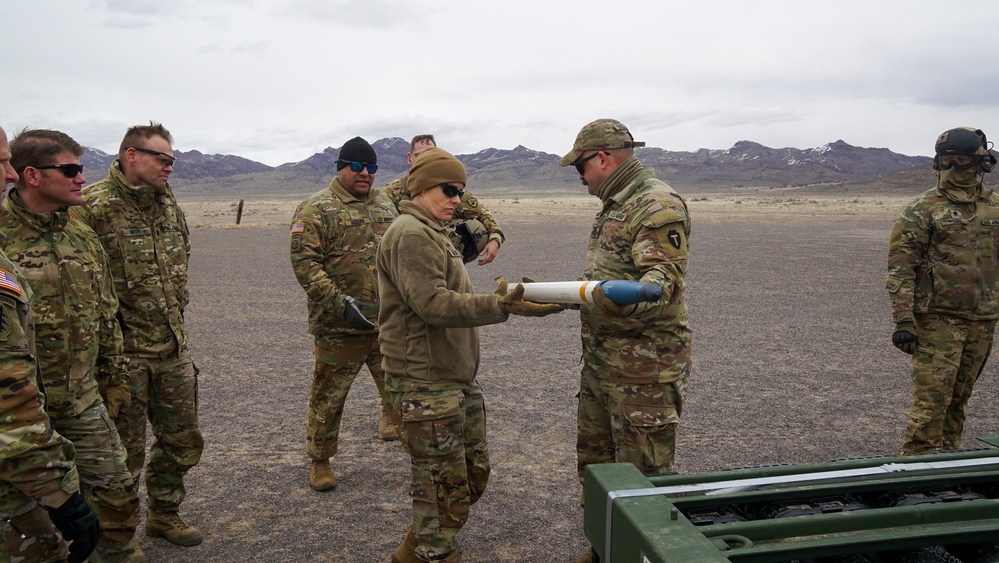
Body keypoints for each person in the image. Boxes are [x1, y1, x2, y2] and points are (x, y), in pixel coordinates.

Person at [376, 147, 561, 562]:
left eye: (461, 190)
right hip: (425, 383)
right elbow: (433, 305)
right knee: (444, 493)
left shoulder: (433, 231)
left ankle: (415, 547)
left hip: (454, 379)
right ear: (423, 187)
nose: (458, 199)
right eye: (449, 189)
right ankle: (431, 553)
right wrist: (499, 307)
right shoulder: (409, 233)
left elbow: (449, 298)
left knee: (469, 478)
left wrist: (503, 299)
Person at [0, 129, 142, 561]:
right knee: (32, 520)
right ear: (33, 175)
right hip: (23, 412)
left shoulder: (80, 234)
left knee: (117, 491)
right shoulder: (3, 237)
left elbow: (106, 313)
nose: (82, 178)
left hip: (82, 400)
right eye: (71, 169)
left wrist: (115, 381)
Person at [77, 122, 205, 546]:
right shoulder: (92, 206)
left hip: (172, 350)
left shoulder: (168, 205)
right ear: (131, 155)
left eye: (172, 160)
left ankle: (164, 515)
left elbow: (179, 269)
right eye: (161, 159)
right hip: (123, 356)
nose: (169, 167)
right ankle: (118, 537)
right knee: (122, 456)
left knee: (182, 441)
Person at [558, 119, 692, 492]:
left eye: (579, 167)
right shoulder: (617, 203)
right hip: (603, 365)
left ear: (602, 159)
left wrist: (617, 303)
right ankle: (601, 549)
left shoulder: (654, 203)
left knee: (640, 482)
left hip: (643, 372)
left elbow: (662, 283)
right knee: (596, 470)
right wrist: (555, 298)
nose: (579, 177)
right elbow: (609, 279)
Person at [289, 136, 403, 490]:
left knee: (401, 390)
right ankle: (319, 462)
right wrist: (339, 303)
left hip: (386, 324)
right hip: (339, 326)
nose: (365, 173)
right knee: (329, 397)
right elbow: (305, 263)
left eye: (371, 167)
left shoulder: (387, 207)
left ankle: (418, 452)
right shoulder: (316, 208)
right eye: (357, 166)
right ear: (340, 168)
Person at [888, 126, 999, 455]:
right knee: (931, 405)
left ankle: (947, 470)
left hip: (984, 320)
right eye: (945, 161)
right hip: (939, 321)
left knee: (958, 400)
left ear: (980, 163)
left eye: (961, 160)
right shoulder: (922, 209)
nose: (952, 169)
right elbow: (901, 267)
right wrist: (903, 321)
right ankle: (915, 481)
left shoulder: (994, 209)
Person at [383, 134, 505, 265]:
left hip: (443, 259)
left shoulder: (450, 191)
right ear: (409, 158)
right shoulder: (393, 192)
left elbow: (481, 213)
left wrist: (495, 238)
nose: (426, 159)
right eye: (419, 155)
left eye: (430, 155)